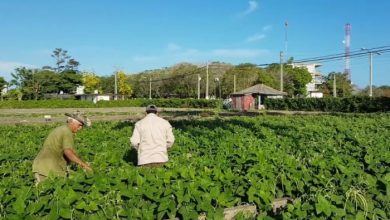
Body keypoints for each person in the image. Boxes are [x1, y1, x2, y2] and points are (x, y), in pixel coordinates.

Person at [32, 112, 93, 184]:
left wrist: (75, 164)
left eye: (82, 126)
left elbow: (64, 153)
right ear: (71, 122)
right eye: (79, 125)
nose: (80, 128)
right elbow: (68, 152)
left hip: (43, 167)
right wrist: (84, 166)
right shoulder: (67, 132)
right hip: (47, 170)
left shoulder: (62, 129)